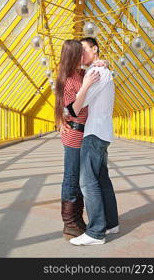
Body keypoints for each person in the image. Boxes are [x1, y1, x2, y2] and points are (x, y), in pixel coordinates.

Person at [69, 37, 119, 246]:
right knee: (102, 180)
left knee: (87, 182)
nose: (81, 56)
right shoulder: (104, 71)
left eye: (84, 51)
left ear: (95, 49)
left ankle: (96, 232)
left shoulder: (95, 73)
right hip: (103, 132)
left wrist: (66, 111)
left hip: (94, 133)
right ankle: (110, 223)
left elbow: (78, 106)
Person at [55, 39, 100, 240]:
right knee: (71, 178)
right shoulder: (68, 79)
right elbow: (73, 108)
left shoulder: (79, 74)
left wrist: (102, 62)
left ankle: (78, 219)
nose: (83, 55)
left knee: (80, 179)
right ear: (73, 55)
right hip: (73, 134)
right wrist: (87, 85)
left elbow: (94, 68)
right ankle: (69, 223)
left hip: (82, 133)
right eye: (80, 52)